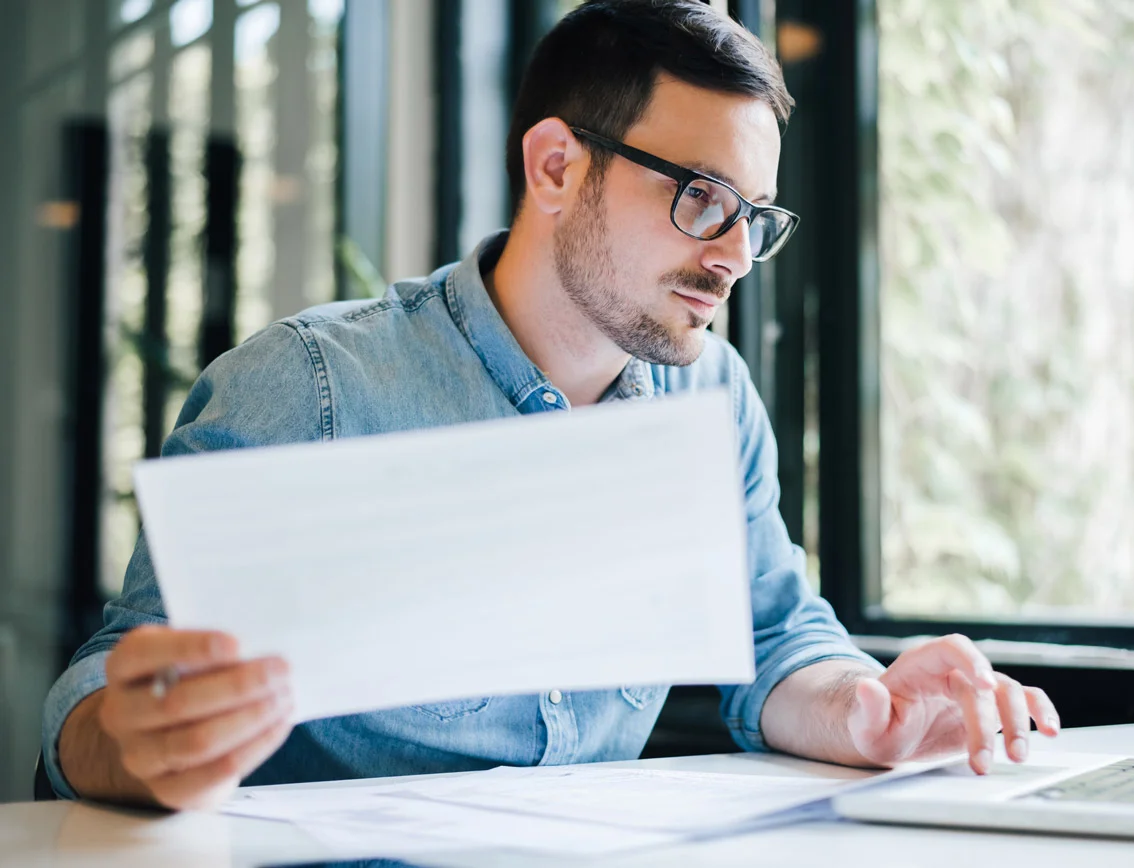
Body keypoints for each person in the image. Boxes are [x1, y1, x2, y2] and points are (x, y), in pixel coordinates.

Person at [43, 0, 1058, 811]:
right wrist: (134, 743)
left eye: (754, 217)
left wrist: (867, 706)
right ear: (557, 166)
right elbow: (102, 694)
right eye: (702, 197)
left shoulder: (709, 394)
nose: (735, 254)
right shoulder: (310, 388)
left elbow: (772, 637)